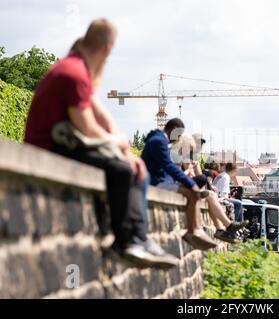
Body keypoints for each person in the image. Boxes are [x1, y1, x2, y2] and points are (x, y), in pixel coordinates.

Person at [24, 19, 178, 269]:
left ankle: (138, 238)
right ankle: (126, 241)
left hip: (60, 144)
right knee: (121, 170)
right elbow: (87, 127)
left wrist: (126, 149)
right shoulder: (74, 74)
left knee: (132, 167)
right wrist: (119, 144)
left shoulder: (74, 69)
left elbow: (101, 117)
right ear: (107, 50)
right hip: (49, 147)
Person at [141, 118, 217, 250]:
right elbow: (168, 166)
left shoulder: (158, 139)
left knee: (193, 193)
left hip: (160, 179)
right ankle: (193, 231)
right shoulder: (159, 141)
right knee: (192, 192)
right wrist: (189, 182)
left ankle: (196, 229)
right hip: (156, 181)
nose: (178, 139)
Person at [170, 133, 248, 243]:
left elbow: (198, 176)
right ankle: (226, 227)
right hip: (181, 187)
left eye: (200, 144)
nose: (199, 147)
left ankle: (222, 229)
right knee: (210, 195)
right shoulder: (181, 156)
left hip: (189, 186)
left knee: (211, 195)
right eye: (197, 144)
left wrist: (196, 167)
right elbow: (189, 176)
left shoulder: (191, 157)